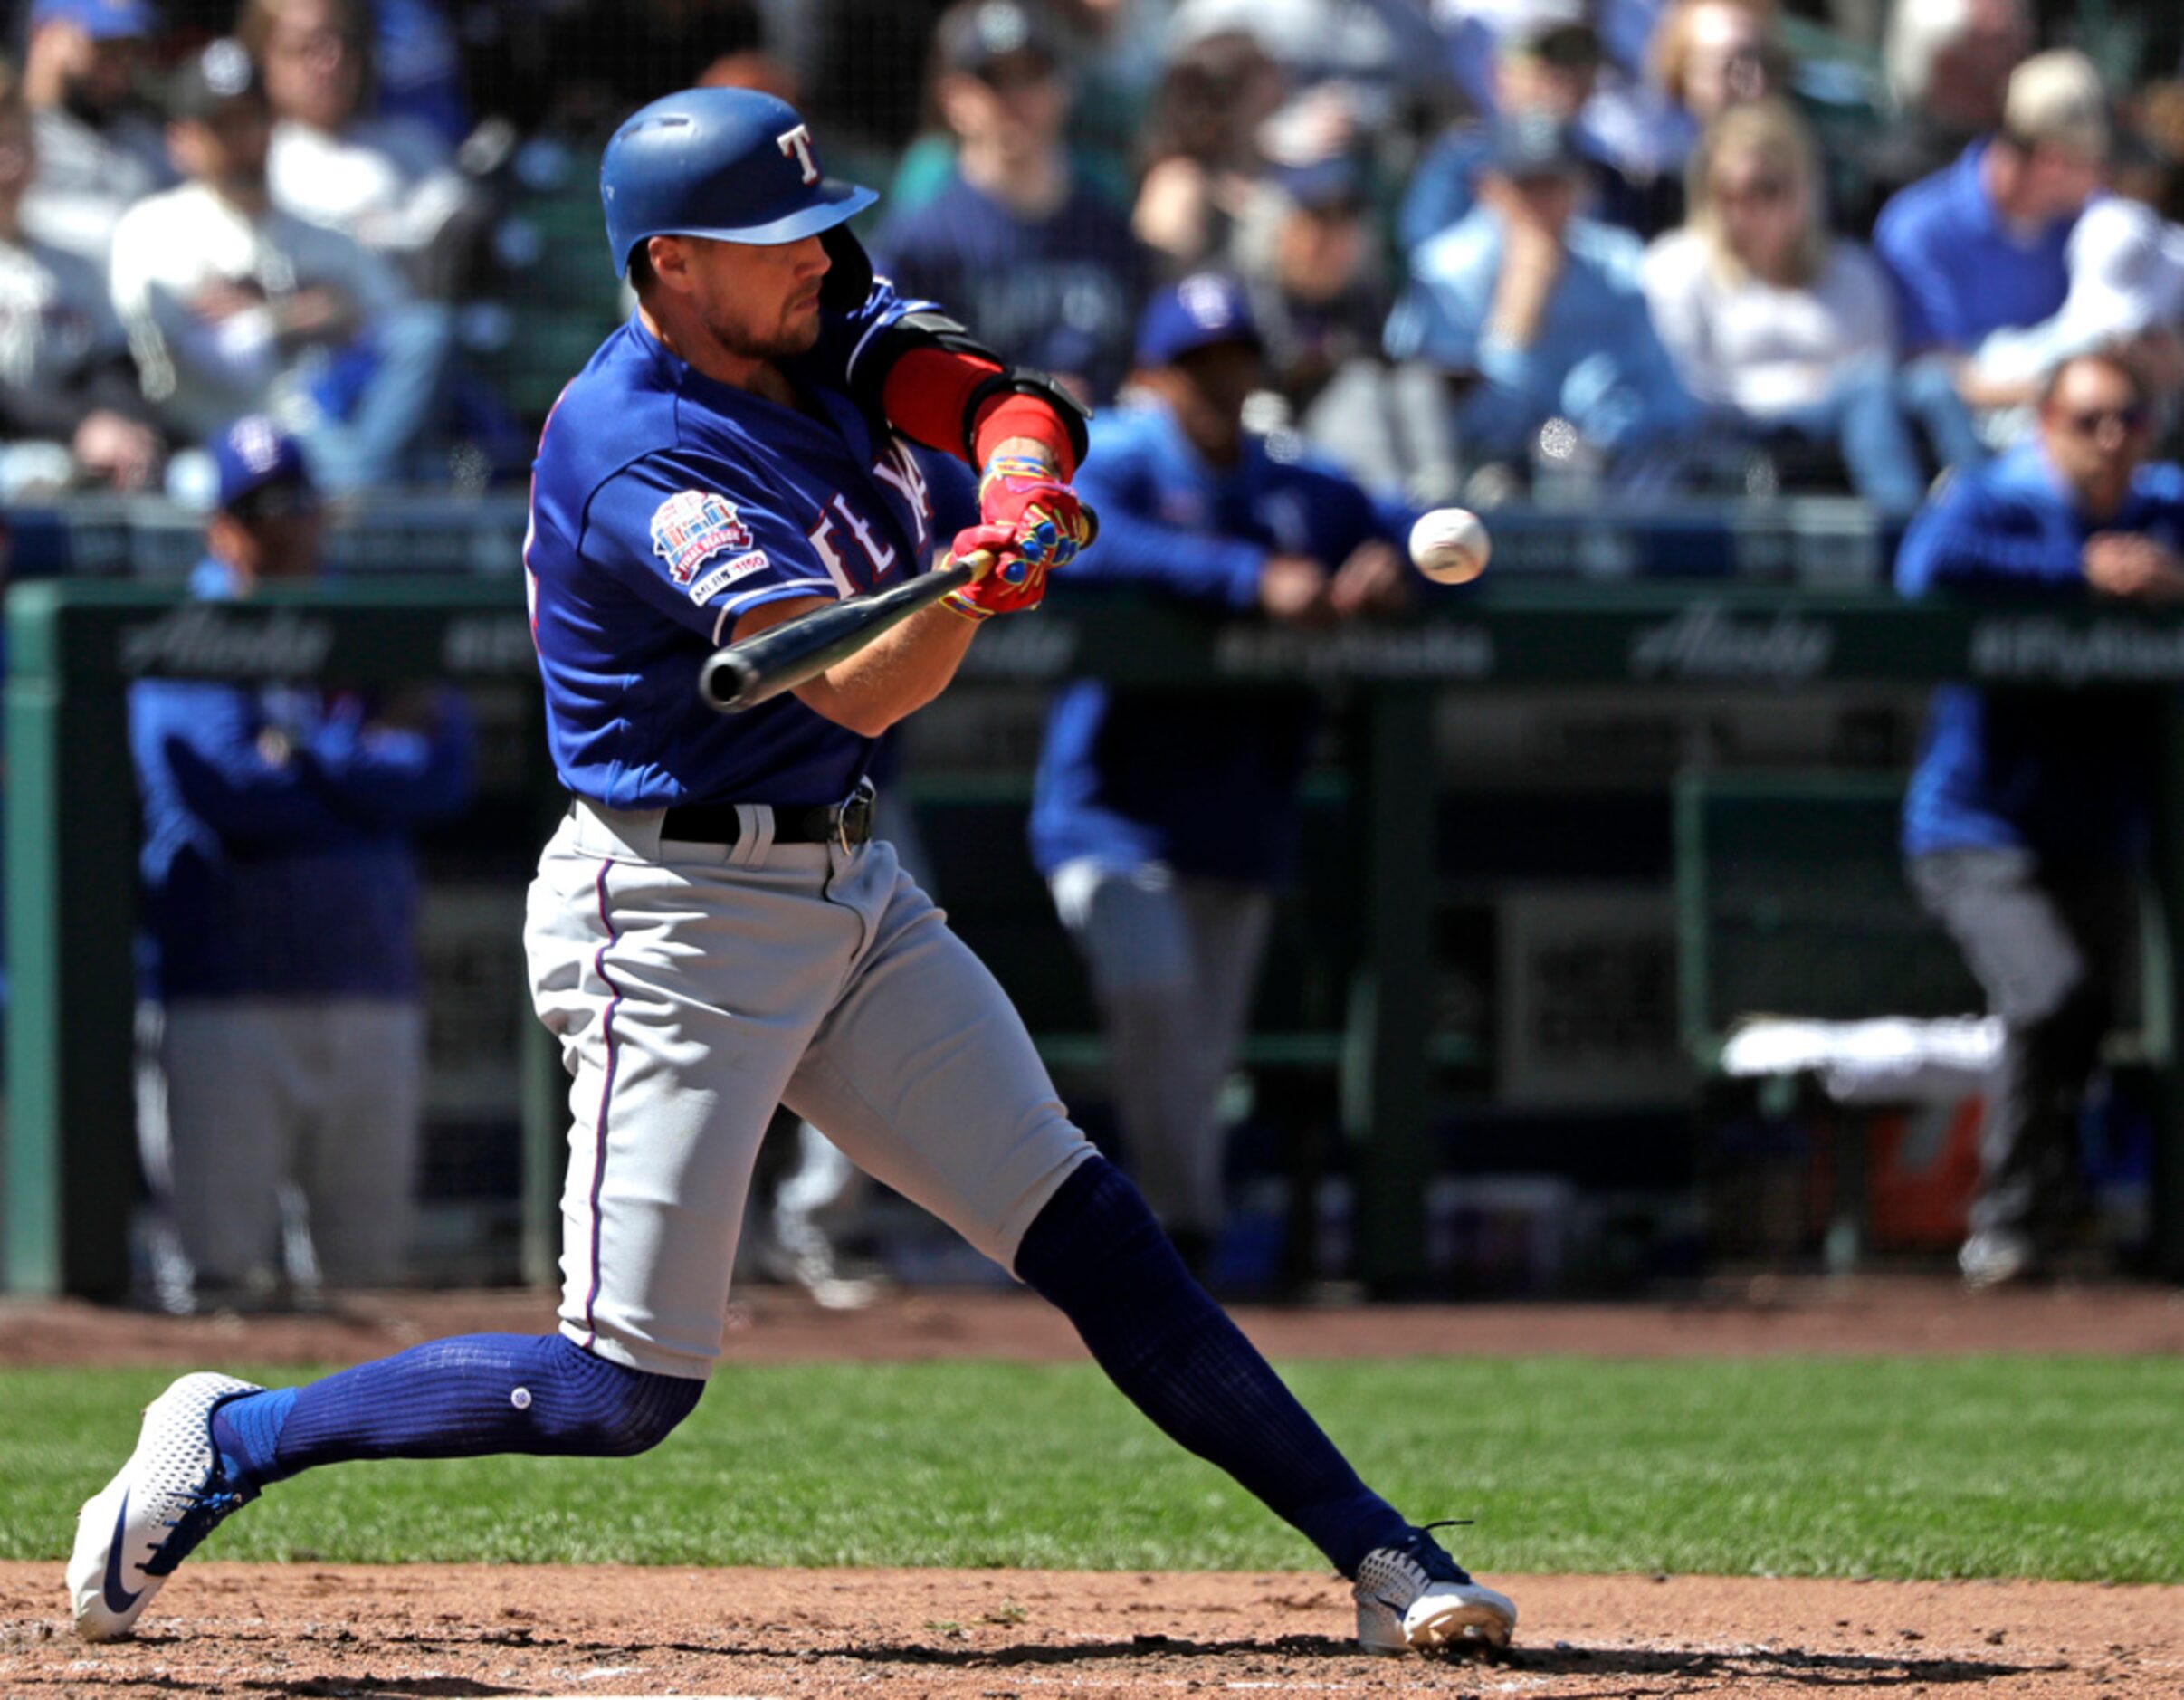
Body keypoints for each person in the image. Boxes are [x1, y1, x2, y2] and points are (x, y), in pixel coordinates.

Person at [69, 87, 1517, 1663]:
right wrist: (969, 595)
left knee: (1088, 1224)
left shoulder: (806, 319)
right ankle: (236, 1433)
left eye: (819, 225)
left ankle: (1381, 1547)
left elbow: (995, 400)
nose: (820, 258)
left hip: (843, 882)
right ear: (671, 264)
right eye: (774, 241)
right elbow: (859, 685)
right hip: (670, 913)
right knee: (620, 1388)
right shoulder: (638, 452)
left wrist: (1018, 489)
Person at [1029, 272, 1410, 1273]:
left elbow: (1410, 524)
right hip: (1110, 812)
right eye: (1199, 366)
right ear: (1155, 375)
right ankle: (1180, 1236)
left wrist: (1397, 562)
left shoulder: (1291, 483)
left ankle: (1173, 1240)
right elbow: (1068, 533)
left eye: (1236, 361)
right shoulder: (1121, 457)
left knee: (1198, 1056)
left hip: (1238, 814)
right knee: (1154, 999)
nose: (1222, 383)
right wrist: (1246, 580)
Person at [128, 415, 474, 1315]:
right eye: (254, 509)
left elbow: (443, 776)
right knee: (218, 1280)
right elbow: (234, 796)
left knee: (365, 1275)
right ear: (217, 524)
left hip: (370, 982)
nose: (280, 526)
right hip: (224, 993)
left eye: (295, 502)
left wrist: (307, 753)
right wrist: (362, 760)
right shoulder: (185, 630)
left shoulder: (366, 622)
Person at [1896, 350, 2184, 1288]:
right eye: (2087, 420)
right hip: (1975, 827)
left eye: (2127, 422)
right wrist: (2079, 571)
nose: (2110, 441)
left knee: (2088, 1017)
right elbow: (1922, 565)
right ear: (2046, 425)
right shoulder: (1999, 500)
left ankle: (2050, 1215)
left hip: (2097, 827)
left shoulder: (2164, 508)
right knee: (2047, 995)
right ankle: (2008, 1222)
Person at [106, 37, 455, 491]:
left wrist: (288, 318)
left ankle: (357, 486)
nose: (241, 140)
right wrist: (300, 316)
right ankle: (358, 491)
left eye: (251, 120)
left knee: (427, 331)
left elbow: (401, 334)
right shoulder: (153, 230)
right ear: (181, 139)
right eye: (221, 126)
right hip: (225, 444)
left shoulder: (326, 234)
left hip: (338, 425)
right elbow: (188, 361)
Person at [1387, 110, 1698, 495]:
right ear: (1489, 189)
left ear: (1583, 190)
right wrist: (1512, 330)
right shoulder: (1445, 277)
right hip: (1477, 483)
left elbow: (1666, 402)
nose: (1541, 204)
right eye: (1526, 187)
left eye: (1554, 185)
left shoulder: (1617, 266)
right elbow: (1446, 422)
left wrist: (1601, 442)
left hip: (1606, 477)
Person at [1642, 100, 1925, 511]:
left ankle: (1976, 518)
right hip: (1731, 436)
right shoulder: (1677, 265)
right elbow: (1683, 389)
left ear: (1806, 187)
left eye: (1767, 189)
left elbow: (1880, 370)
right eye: (1727, 192)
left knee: (1931, 386)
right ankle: (1901, 526)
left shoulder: (1853, 271)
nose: (1746, 207)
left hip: (1844, 446)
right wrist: (1796, 385)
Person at [875, 0, 1147, 407]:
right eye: (995, 79)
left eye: (1032, 75)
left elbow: (1146, 364)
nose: (1017, 98)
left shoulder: (1107, 226)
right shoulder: (923, 239)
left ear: (1065, 85)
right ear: (954, 99)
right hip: (980, 458)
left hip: (1102, 452)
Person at [1875, 50, 2111, 471]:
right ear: (2052, 163)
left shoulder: (2093, 223)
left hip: (2075, 445)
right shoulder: (1917, 229)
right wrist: (2059, 393)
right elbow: (1939, 378)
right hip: (1966, 461)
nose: (2103, 177)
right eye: (2093, 163)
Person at [242, 0, 488, 300]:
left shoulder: (411, 141)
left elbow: (461, 230)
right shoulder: (253, 162)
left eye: (342, 42)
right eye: (306, 47)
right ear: (263, 59)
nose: (329, 62)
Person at [0, 53, 164, 495]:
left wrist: (128, 429)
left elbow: (111, 367)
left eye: (19, 144)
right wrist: (80, 426)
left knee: (184, 480)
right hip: (21, 451)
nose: (10, 164)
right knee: (38, 473)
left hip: (78, 447)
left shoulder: (72, 264)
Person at [16, 0, 172, 268]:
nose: (119, 71)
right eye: (105, 50)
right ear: (43, 35)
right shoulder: (12, 142)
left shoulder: (148, 142)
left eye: (131, 52)